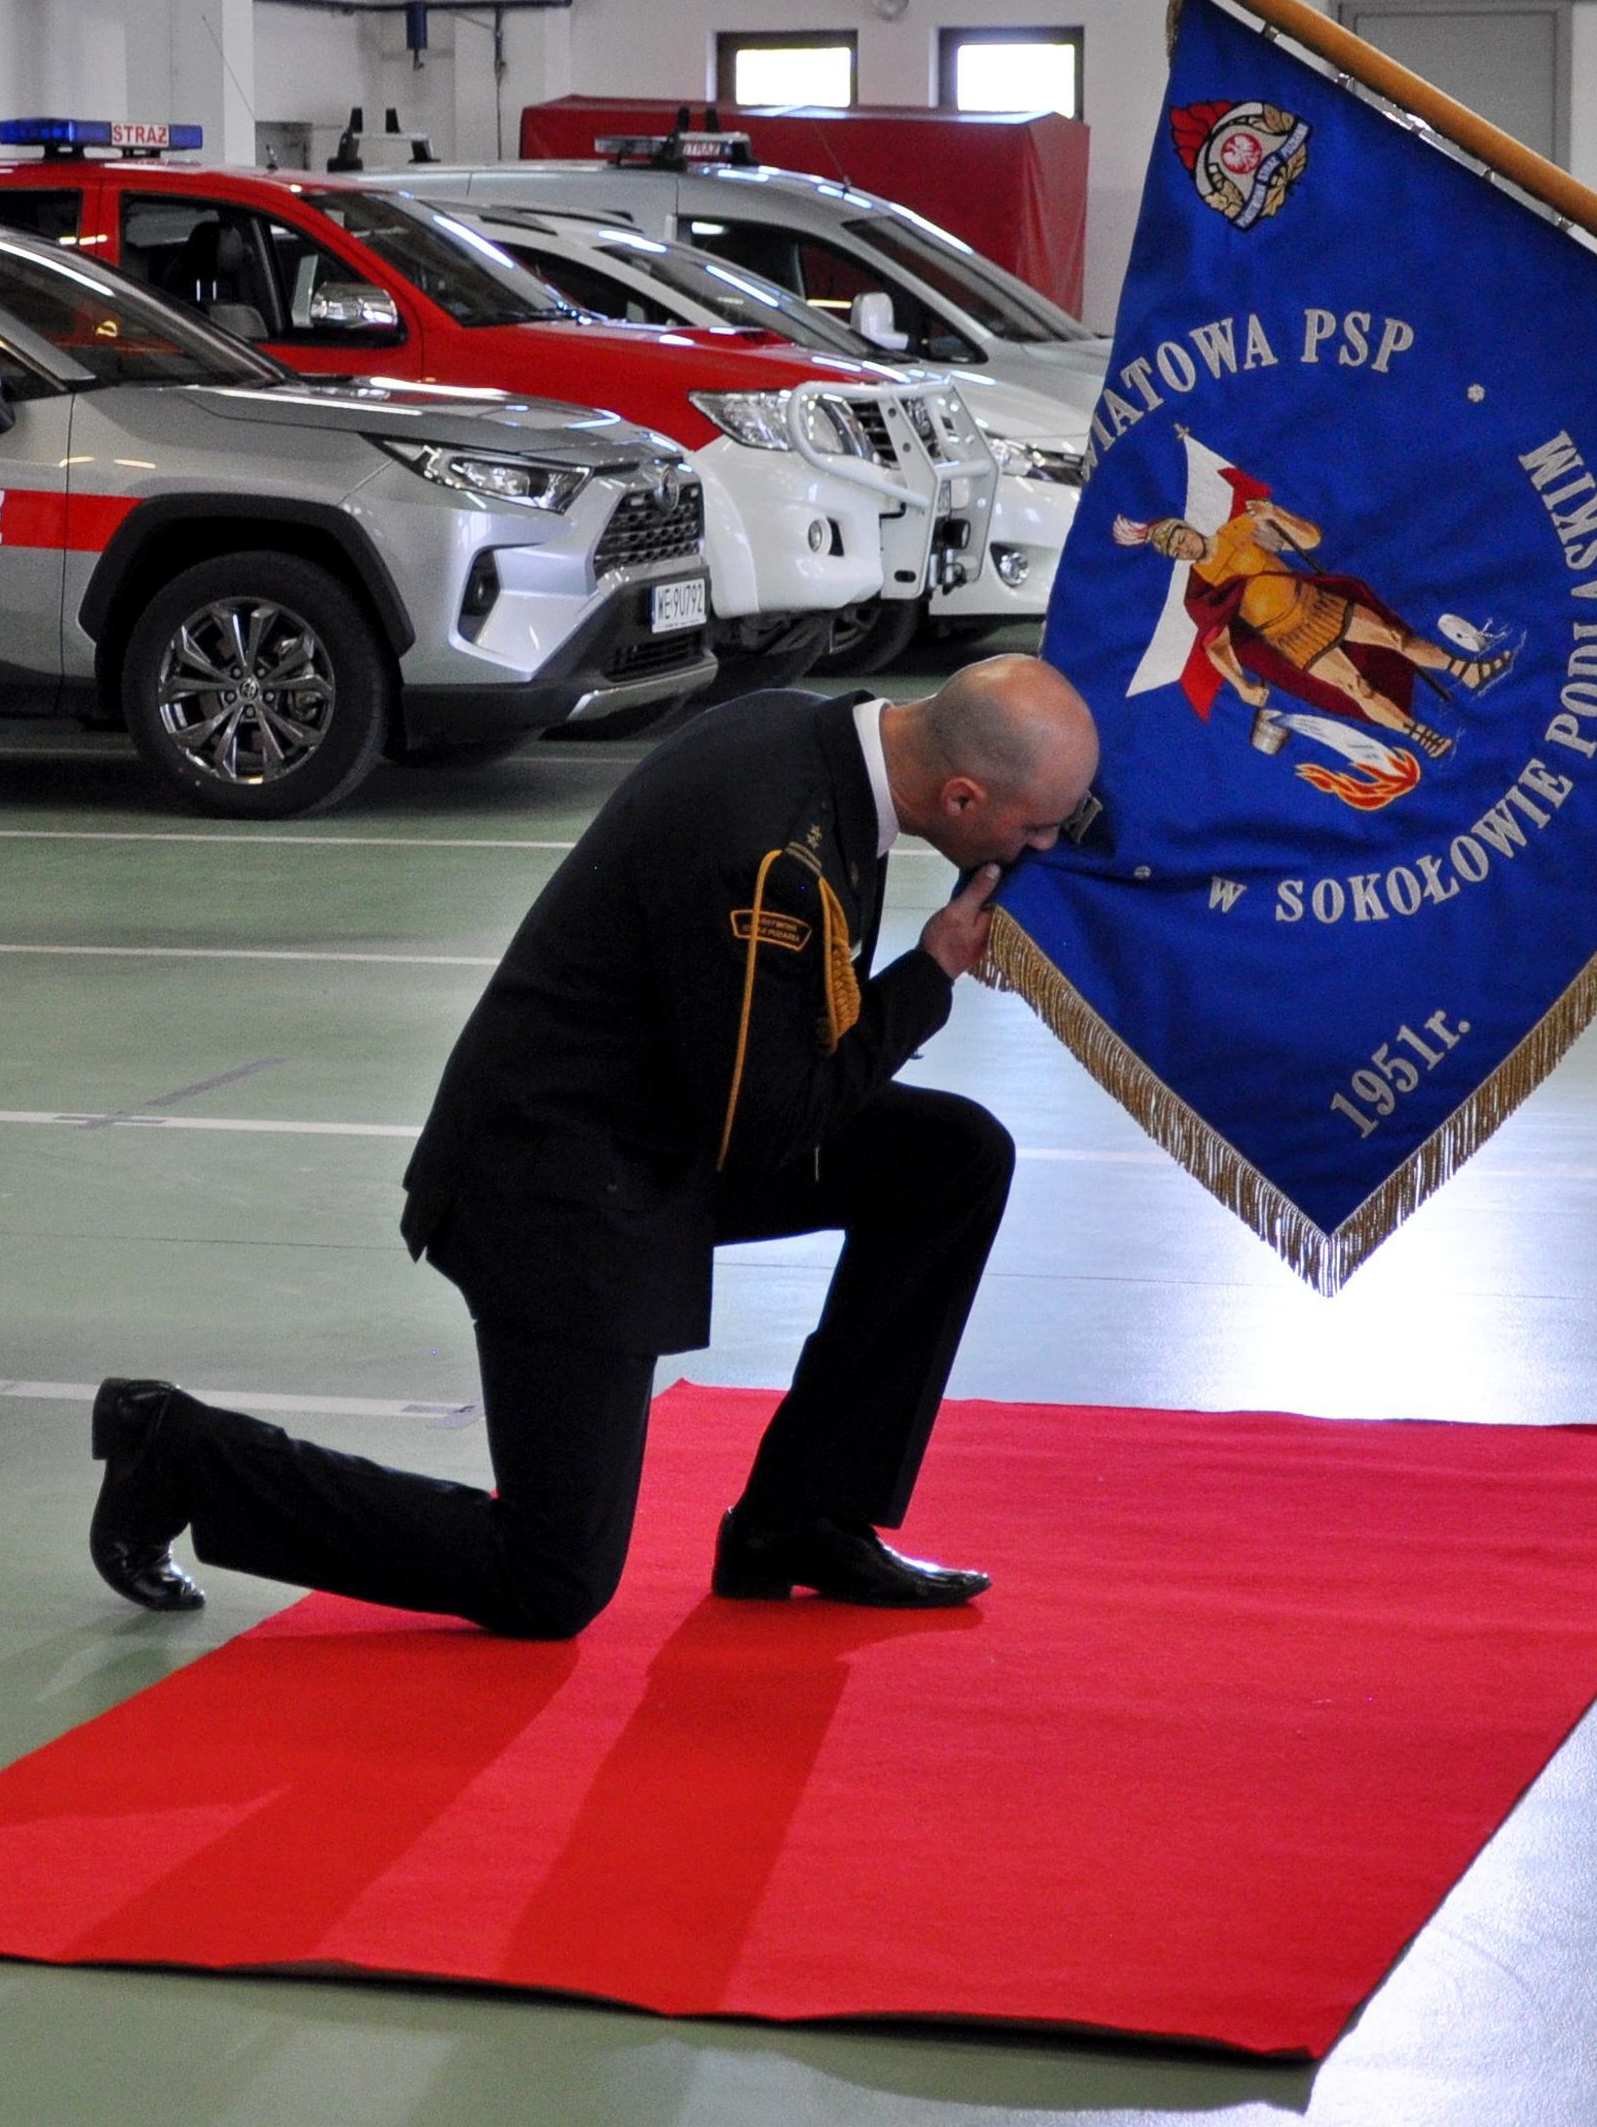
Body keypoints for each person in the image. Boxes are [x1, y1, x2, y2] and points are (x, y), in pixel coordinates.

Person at [83, 659, 1101, 1637]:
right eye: (1038, 827)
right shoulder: (768, 852)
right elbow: (767, 1132)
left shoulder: (812, 733)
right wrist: (930, 974)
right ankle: (180, 1453)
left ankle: (805, 1519)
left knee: (948, 1162)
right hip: (555, 1181)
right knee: (549, 1579)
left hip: (657, 1127)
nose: (1049, 846)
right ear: (961, 799)